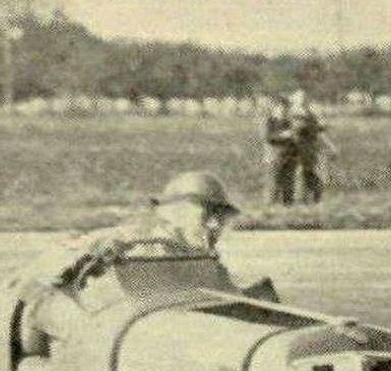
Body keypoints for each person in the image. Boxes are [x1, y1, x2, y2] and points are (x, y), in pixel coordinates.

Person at [20, 170, 241, 352]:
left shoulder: (205, 259)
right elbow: (45, 272)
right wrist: (90, 256)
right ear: (175, 211)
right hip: (108, 340)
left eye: (220, 217)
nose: (215, 225)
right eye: (207, 214)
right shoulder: (130, 239)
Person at [287, 90, 336, 204]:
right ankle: (300, 200)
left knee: (312, 173)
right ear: (294, 100)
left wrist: (330, 146)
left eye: (303, 98)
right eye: (299, 98)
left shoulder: (310, 115)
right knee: (299, 173)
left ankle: (312, 199)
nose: (302, 100)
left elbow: (319, 132)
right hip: (297, 148)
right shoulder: (290, 114)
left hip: (310, 148)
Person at [264, 96, 298, 205]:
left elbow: (295, 139)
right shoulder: (270, 121)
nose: (283, 110)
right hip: (275, 157)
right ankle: (271, 206)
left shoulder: (289, 122)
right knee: (274, 183)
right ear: (275, 108)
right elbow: (268, 138)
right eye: (281, 108)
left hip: (289, 156)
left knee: (289, 183)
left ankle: (288, 205)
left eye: (286, 108)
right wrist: (283, 136)